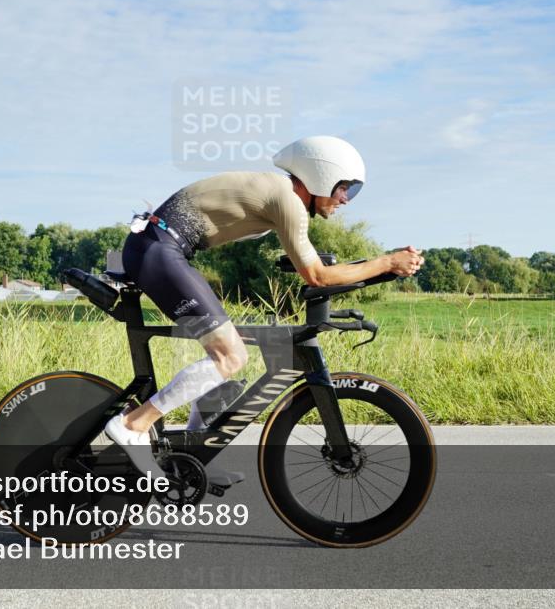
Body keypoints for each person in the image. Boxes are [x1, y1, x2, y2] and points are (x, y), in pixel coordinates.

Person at [104, 135, 424, 484]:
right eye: (343, 187)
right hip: (159, 252)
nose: (345, 199)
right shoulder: (286, 200)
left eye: (351, 190)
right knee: (230, 356)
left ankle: (194, 452)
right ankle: (134, 424)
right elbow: (317, 275)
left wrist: (385, 265)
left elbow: (313, 265)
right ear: (319, 175)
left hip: (161, 249)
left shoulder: (281, 196)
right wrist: (387, 261)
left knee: (231, 347)